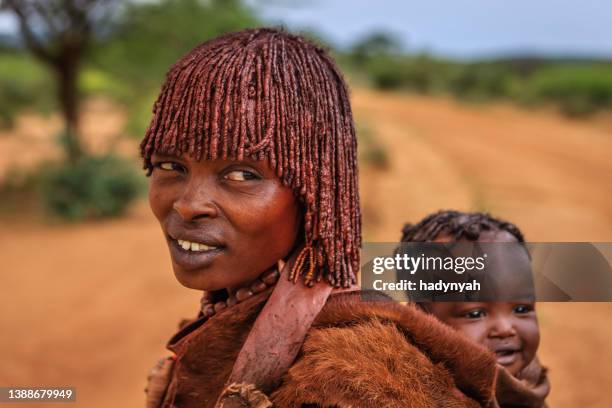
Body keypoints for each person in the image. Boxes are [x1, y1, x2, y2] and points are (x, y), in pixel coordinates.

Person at [142, 29, 498, 408]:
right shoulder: (230, 321)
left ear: (314, 192)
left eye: (242, 175)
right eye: (170, 165)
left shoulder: (346, 380)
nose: (188, 205)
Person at [400, 210, 550, 407]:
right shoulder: (407, 397)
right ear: (421, 319)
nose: (505, 329)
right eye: (475, 314)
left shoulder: (529, 384)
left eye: (521, 309)